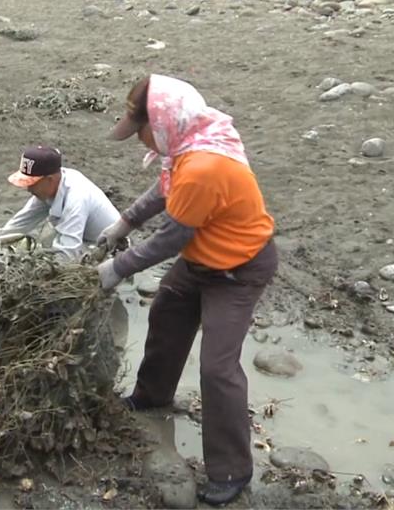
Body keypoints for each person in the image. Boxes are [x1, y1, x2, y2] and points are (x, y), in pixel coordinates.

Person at [95, 74, 277, 506]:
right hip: (201, 260)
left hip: (238, 269)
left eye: (140, 132)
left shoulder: (204, 165)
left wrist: (115, 268)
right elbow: (163, 191)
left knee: (217, 368)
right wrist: (123, 222)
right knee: (166, 315)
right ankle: (151, 395)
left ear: (162, 123)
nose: (140, 141)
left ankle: (232, 471)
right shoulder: (187, 146)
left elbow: (171, 238)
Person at [0, 145, 119, 261]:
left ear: (50, 180)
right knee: (46, 240)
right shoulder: (52, 185)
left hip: (110, 249)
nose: (28, 189)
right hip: (84, 238)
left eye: (32, 184)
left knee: (47, 252)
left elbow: (68, 253)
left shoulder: (76, 198)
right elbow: (20, 223)